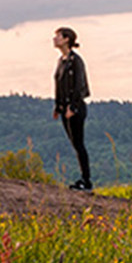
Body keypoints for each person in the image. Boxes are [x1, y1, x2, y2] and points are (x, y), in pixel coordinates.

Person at [52, 26, 92, 191]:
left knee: (79, 144)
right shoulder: (61, 61)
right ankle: (84, 180)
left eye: (58, 36)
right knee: (75, 144)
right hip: (65, 109)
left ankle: (86, 181)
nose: (55, 39)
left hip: (75, 108)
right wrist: (58, 106)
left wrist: (73, 107)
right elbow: (59, 85)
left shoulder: (76, 61)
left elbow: (80, 85)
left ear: (67, 39)